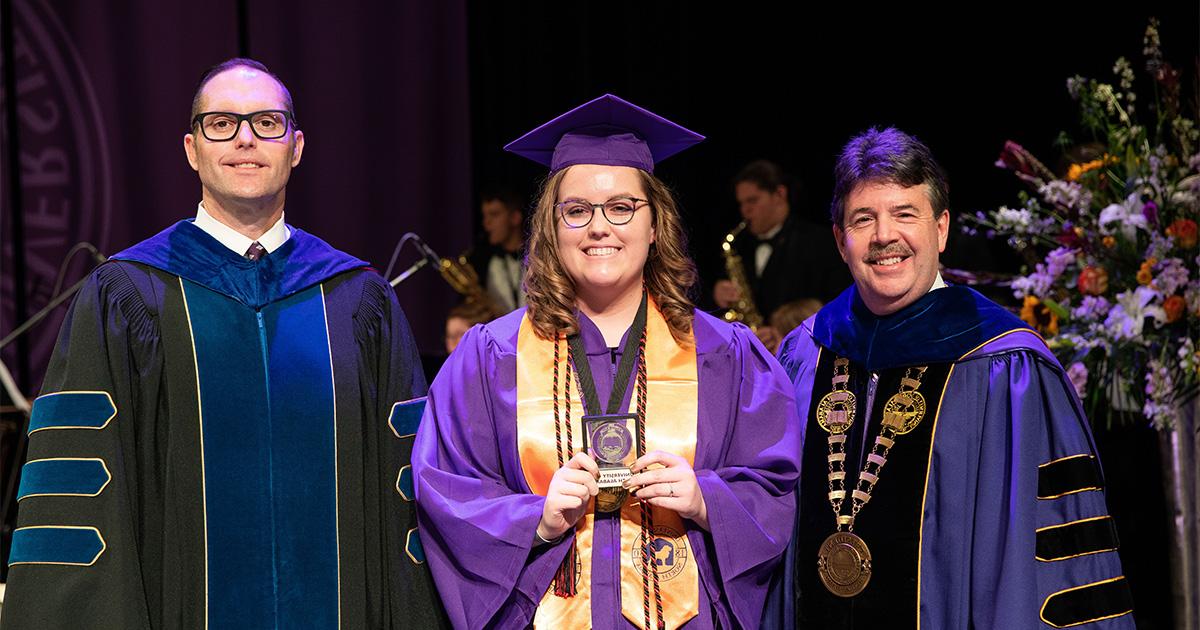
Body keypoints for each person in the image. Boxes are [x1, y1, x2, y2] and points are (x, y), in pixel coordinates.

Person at [3, 58, 445, 629]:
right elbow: (80, 495)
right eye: (221, 124)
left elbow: (404, 490)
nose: (244, 139)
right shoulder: (129, 294)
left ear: (296, 146)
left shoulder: (358, 299)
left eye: (267, 123)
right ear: (192, 149)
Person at [413, 94, 800, 629]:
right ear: (552, 227)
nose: (600, 227)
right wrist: (537, 520)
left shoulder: (725, 355)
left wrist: (706, 498)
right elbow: (446, 490)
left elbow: (777, 488)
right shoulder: (489, 358)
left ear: (655, 223)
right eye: (577, 210)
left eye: (622, 207)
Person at [763, 128, 1133, 629]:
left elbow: (1053, 556)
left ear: (940, 229)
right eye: (863, 219)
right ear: (839, 239)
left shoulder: (1008, 368)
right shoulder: (807, 350)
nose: (883, 236)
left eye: (904, 214)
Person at [712, 160, 849, 353]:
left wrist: (785, 332)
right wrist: (719, 292)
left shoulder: (820, 241)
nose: (745, 210)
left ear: (779, 194)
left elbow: (839, 305)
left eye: (752, 200)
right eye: (741, 203)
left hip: (806, 353)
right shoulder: (740, 246)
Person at [468, 189, 528, 313]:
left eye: (494, 214)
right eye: (484, 216)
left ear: (515, 218)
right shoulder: (484, 263)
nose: (486, 223)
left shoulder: (540, 260)